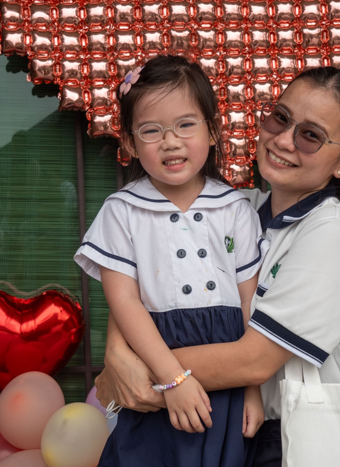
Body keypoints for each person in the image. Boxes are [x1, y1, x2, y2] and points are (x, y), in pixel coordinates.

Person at [95, 65, 340, 466]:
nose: (284, 140)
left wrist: (145, 369)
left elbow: (253, 361)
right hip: (236, 429)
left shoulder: (332, 233)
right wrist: (115, 353)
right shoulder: (235, 208)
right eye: (280, 118)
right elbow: (140, 278)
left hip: (301, 443)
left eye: (311, 136)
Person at [74, 55, 267, 467]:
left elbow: (250, 298)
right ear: (128, 143)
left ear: (213, 131)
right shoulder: (121, 211)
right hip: (158, 349)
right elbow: (124, 302)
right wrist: (172, 378)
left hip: (228, 358)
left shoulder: (235, 208)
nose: (171, 141)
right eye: (151, 130)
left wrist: (255, 388)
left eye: (185, 124)